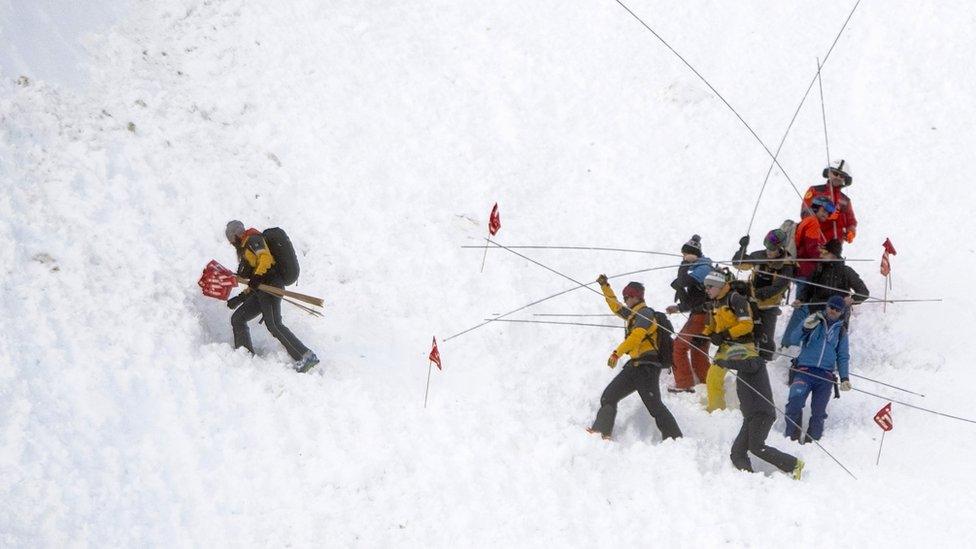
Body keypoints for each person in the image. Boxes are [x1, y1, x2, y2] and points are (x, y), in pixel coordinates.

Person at [588, 276, 682, 441]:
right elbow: (615, 306)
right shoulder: (633, 314)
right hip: (634, 367)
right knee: (609, 396)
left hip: (647, 368)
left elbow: (636, 337)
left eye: (627, 297)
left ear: (636, 297)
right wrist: (605, 286)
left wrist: (617, 353)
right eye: (624, 297)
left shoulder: (645, 314)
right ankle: (601, 432)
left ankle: (676, 439)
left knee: (655, 406)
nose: (625, 300)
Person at [224, 220, 319, 372]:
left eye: (230, 239)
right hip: (261, 290)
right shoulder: (245, 249)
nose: (231, 243)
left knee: (274, 324)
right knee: (238, 318)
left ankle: (306, 356)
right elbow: (254, 280)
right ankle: (245, 355)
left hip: (271, 286)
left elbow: (266, 259)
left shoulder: (253, 240)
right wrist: (240, 298)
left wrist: (256, 278)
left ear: (235, 235)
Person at [717, 344, 803, 479]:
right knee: (737, 452)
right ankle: (748, 477)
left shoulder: (756, 362)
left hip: (762, 413)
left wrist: (726, 363)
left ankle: (794, 464)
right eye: (731, 358)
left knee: (756, 447)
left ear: (741, 355)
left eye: (734, 357)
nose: (733, 361)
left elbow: (748, 366)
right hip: (750, 417)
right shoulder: (743, 371)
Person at [784, 295, 852, 443]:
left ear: (842, 312)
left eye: (837, 309)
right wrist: (804, 327)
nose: (833, 311)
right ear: (826, 306)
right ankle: (791, 439)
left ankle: (812, 443)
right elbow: (793, 339)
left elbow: (843, 356)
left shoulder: (841, 331)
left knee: (819, 412)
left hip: (825, 376)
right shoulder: (814, 320)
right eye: (831, 307)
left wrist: (845, 378)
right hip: (804, 370)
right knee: (794, 403)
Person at [731, 229, 795, 360]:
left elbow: (778, 287)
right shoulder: (759, 255)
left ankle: (766, 360)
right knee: (748, 332)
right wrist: (742, 248)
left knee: (765, 337)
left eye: (773, 249)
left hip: (769, 307)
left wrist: (757, 294)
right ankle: (746, 358)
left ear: (780, 248)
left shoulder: (786, 264)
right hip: (752, 304)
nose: (769, 252)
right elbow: (738, 264)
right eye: (767, 248)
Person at [781, 196, 834, 348]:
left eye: (830, 212)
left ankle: (790, 342)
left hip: (799, 269)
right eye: (825, 210)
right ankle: (789, 343)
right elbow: (811, 250)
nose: (827, 214)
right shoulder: (813, 222)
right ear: (817, 207)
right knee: (803, 308)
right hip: (805, 271)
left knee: (803, 306)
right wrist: (825, 256)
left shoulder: (806, 221)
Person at [700, 270, 756, 412]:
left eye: (709, 287)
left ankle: (753, 411)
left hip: (744, 345)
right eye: (705, 287)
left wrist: (725, 334)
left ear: (719, 286)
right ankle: (716, 411)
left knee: (747, 380)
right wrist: (704, 335)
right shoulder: (715, 303)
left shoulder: (736, 299)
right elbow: (711, 325)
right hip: (726, 346)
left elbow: (747, 325)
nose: (707, 290)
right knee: (713, 377)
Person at [665, 235, 712, 393]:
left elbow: (683, 281)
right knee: (698, 350)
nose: (683, 257)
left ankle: (684, 384)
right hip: (705, 316)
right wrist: (678, 308)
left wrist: (685, 263)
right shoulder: (701, 267)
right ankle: (707, 383)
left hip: (702, 317)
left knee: (678, 347)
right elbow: (696, 299)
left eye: (685, 254)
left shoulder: (703, 268)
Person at [801, 160, 857, 243]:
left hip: (834, 246)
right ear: (829, 173)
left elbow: (851, 221)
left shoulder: (846, 201)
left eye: (841, 176)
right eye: (835, 173)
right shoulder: (814, 191)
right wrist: (825, 215)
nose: (838, 177)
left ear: (845, 179)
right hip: (812, 239)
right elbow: (804, 213)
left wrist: (851, 232)